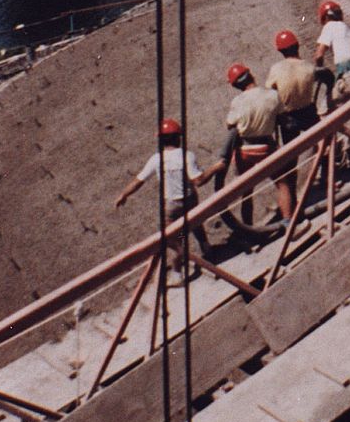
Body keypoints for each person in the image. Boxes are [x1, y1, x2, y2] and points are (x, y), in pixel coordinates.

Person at [113, 118, 214, 275]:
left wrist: (124, 194)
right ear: (178, 137)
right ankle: (206, 248)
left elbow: (139, 180)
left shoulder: (156, 159)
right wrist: (215, 168)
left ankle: (177, 273)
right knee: (195, 223)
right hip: (190, 201)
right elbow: (198, 180)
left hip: (172, 206)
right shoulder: (187, 155)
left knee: (175, 240)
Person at [223, 61, 294, 222]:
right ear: (251, 75)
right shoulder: (272, 95)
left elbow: (230, 124)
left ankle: (249, 229)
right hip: (266, 148)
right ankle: (287, 220)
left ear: (235, 86)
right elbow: (283, 117)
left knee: (247, 192)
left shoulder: (237, 102)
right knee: (281, 183)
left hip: (245, 151)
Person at [265, 29, 318, 146]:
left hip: (288, 118)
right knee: (321, 141)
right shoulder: (309, 66)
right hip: (308, 113)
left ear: (280, 51)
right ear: (297, 45)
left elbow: (269, 94)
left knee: (290, 151)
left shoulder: (276, 68)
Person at [315, 0, 350, 104]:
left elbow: (319, 55)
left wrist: (319, 71)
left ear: (325, 18)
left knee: (327, 105)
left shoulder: (329, 26)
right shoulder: (348, 28)